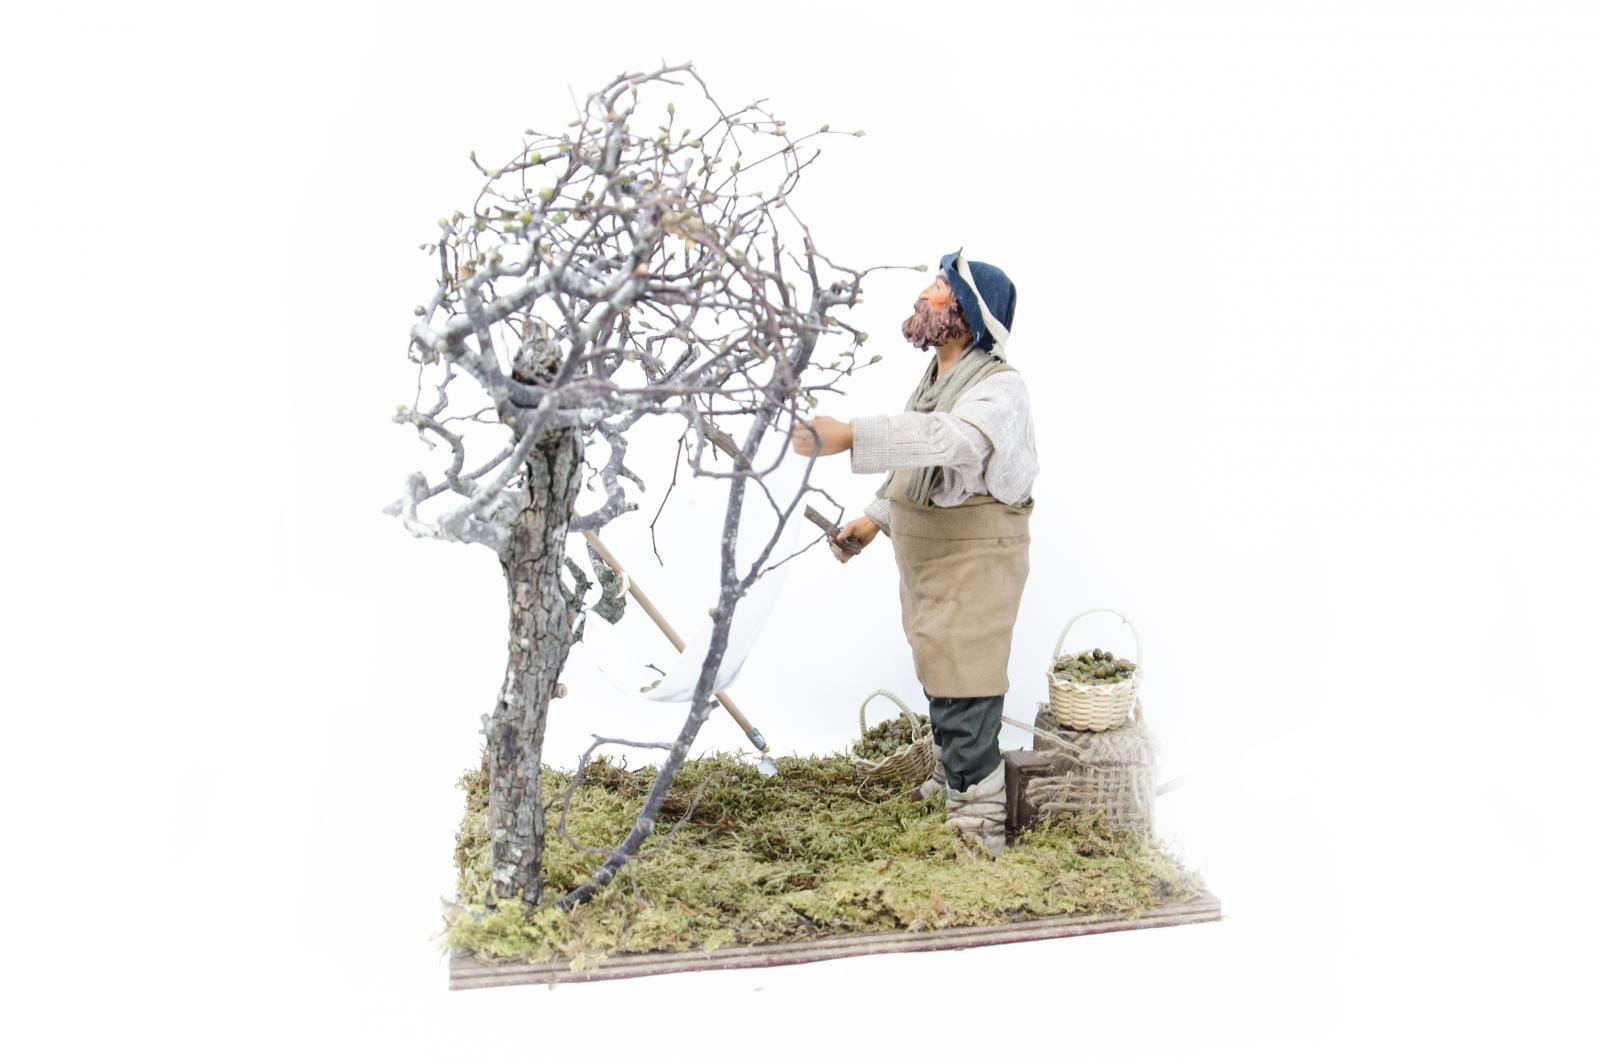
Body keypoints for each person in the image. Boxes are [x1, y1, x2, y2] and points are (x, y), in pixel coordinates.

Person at [789, 248, 1038, 855]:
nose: (926, 292)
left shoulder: (1000, 388)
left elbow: (949, 441)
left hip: (974, 561)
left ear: (967, 311)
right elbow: (917, 456)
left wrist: (853, 434)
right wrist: (876, 518)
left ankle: (978, 819)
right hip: (929, 558)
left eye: (941, 286)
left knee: (967, 683)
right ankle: (953, 778)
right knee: (938, 671)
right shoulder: (935, 377)